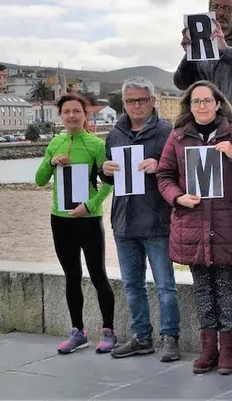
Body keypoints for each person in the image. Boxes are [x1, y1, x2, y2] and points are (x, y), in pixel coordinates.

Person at [156, 80, 232, 376]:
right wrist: (178, 197)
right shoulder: (177, 136)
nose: (202, 106)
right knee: (202, 289)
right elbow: (164, 175)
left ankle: (228, 350)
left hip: (228, 223)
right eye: (196, 101)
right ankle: (208, 349)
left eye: (207, 100)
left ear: (217, 103)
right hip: (193, 223)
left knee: (226, 288)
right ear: (189, 106)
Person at [174, 0, 232, 285]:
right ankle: (213, 258)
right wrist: (188, 53)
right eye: (216, 7)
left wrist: (224, 48)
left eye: (227, 8)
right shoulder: (199, 42)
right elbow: (182, 83)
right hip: (204, 133)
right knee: (208, 201)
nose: (222, 12)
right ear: (209, 11)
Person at [99, 77, 181, 362]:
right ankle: (141, 338)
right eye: (130, 101)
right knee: (132, 285)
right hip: (124, 221)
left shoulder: (167, 132)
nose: (136, 106)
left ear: (152, 101)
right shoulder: (114, 134)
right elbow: (108, 178)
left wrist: (160, 166)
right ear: (123, 104)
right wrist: (104, 171)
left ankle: (170, 338)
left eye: (141, 100)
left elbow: (180, 171)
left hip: (157, 220)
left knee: (165, 286)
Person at [34, 93, 116, 355]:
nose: (71, 116)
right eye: (66, 111)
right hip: (60, 219)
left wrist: (90, 206)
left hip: (88, 219)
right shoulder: (55, 143)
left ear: (85, 115)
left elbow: (109, 183)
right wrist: (51, 161)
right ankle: (78, 332)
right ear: (61, 116)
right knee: (71, 276)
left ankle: (108, 330)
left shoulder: (96, 145)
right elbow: (39, 180)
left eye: (76, 111)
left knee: (98, 275)